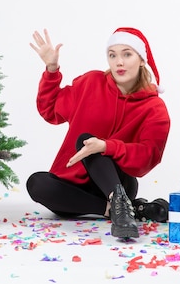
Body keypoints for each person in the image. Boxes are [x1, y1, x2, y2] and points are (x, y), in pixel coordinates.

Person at [26, 27, 171, 239]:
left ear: (141, 60)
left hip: (118, 182)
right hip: (73, 190)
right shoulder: (90, 83)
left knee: (87, 141)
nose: (118, 62)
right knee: (36, 184)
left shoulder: (154, 107)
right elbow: (50, 110)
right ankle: (118, 210)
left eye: (127, 54)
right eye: (112, 55)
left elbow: (149, 156)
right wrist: (51, 68)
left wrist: (106, 146)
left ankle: (120, 201)